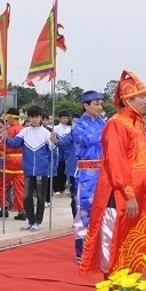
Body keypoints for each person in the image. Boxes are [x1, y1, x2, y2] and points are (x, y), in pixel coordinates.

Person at [80, 70, 146, 276]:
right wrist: (128, 194)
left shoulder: (136, 123)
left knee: (135, 235)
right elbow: (115, 163)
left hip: (140, 193)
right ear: (127, 100)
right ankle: (114, 283)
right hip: (120, 194)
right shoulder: (116, 124)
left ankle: (133, 278)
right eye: (141, 97)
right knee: (114, 236)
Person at [57, 91, 106, 263]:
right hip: (86, 174)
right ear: (86, 105)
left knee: (104, 210)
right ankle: (82, 252)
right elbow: (86, 140)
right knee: (84, 211)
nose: (100, 107)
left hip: (103, 172)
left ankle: (101, 249)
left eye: (101, 104)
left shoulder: (103, 122)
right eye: (96, 103)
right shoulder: (78, 125)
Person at [4, 105, 57, 232]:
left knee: (40, 197)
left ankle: (37, 221)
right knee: (26, 196)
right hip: (28, 170)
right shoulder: (25, 131)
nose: (34, 119)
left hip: (41, 170)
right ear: (28, 118)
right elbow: (15, 144)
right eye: (32, 117)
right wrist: (5, 137)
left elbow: (53, 153)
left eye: (37, 117)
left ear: (40, 118)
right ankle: (30, 220)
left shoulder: (46, 133)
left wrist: (54, 142)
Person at [52, 111, 72, 195]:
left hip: (67, 153)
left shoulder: (70, 128)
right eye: (63, 118)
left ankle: (64, 188)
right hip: (58, 152)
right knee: (58, 170)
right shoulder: (55, 128)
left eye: (66, 118)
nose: (65, 120)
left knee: (65, 171)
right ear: (59, 118)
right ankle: (57, 188)